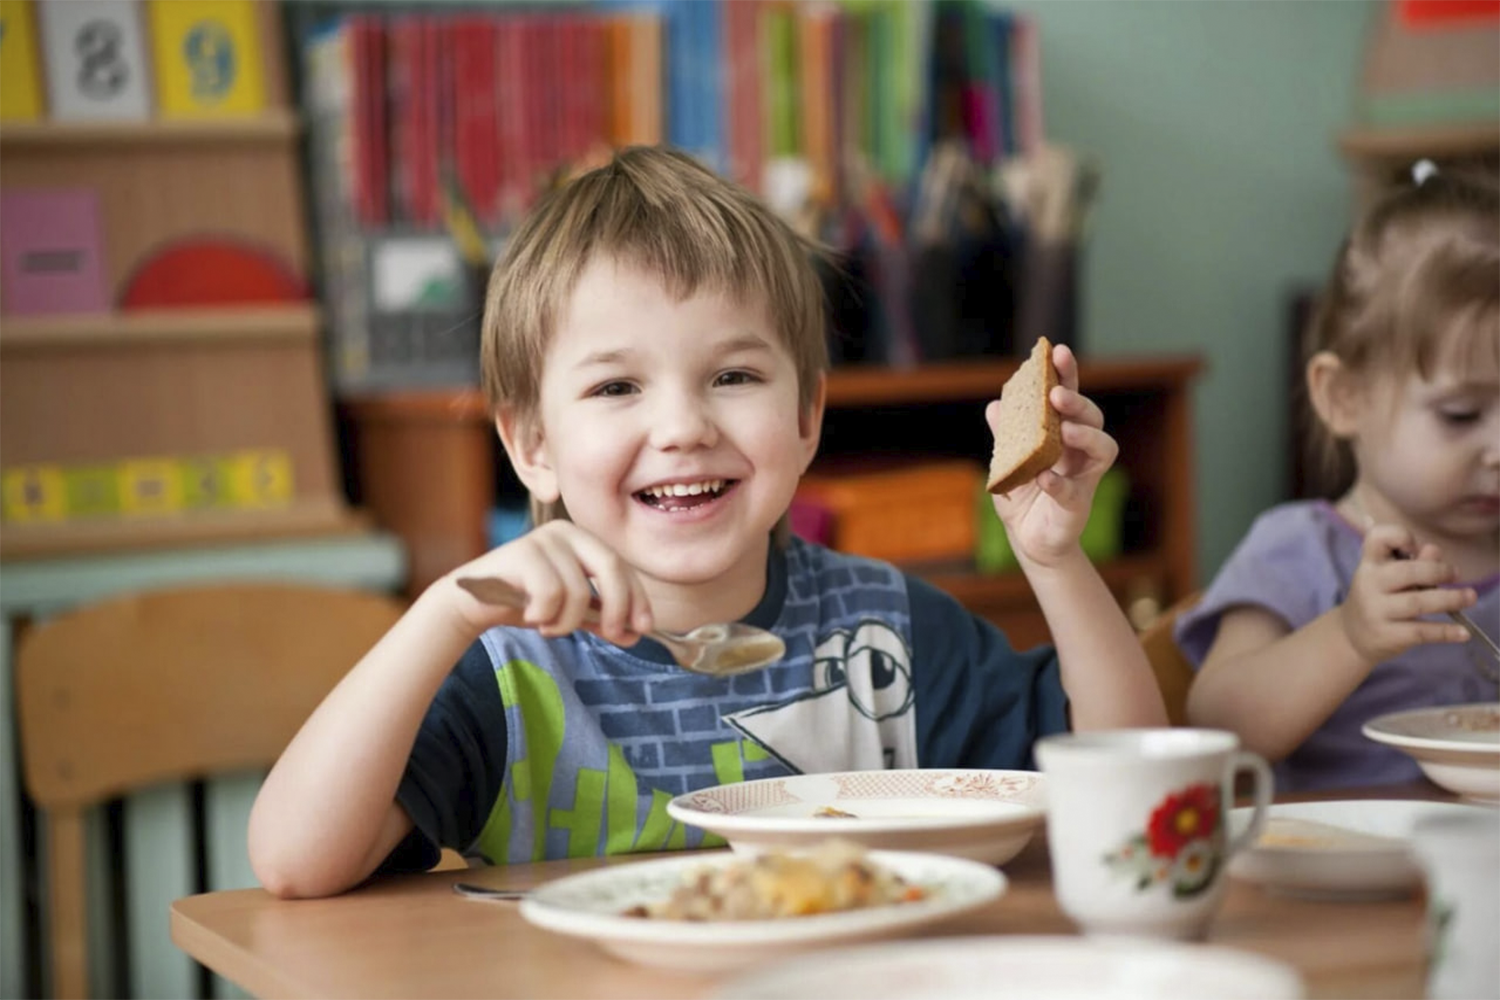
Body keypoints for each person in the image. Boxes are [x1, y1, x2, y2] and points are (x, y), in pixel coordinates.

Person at [248, 146, 1165, 899]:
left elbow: (1123, 781)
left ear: (807, 417)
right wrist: (446, 612)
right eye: (616, 387)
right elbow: (294, 863)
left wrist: (1053, 562)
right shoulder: (506, 670)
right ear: (532, 444)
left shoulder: (889, 634)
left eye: (733, 376)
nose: (684, 428)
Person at [1179, 165, 1500, 792]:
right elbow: (1216, 724)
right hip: (1346, 872)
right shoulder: (1298, 550)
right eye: (1461, 415)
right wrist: (1350, 637)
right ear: (1344, 397)